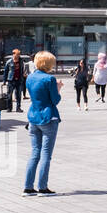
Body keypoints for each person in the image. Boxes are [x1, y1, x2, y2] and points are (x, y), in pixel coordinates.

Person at [24, 50, 63, 195]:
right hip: (48, 117)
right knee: (46, 154)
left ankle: (28, 187)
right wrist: (58, 88)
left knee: (35, 153)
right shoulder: (50, 79)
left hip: (33, 117)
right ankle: (42, 187)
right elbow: (55, 100)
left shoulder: (30, 78)